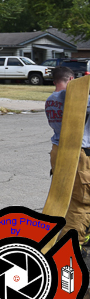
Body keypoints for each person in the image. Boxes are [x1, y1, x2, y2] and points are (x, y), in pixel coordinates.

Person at [46, 66, 90, 248]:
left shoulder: (50, 100)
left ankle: (80, 233)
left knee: (62, 199)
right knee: (81, 202)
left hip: (58, 150)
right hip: (77, 153)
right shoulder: (74, 98)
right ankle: (71, 246)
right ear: (72, 80)